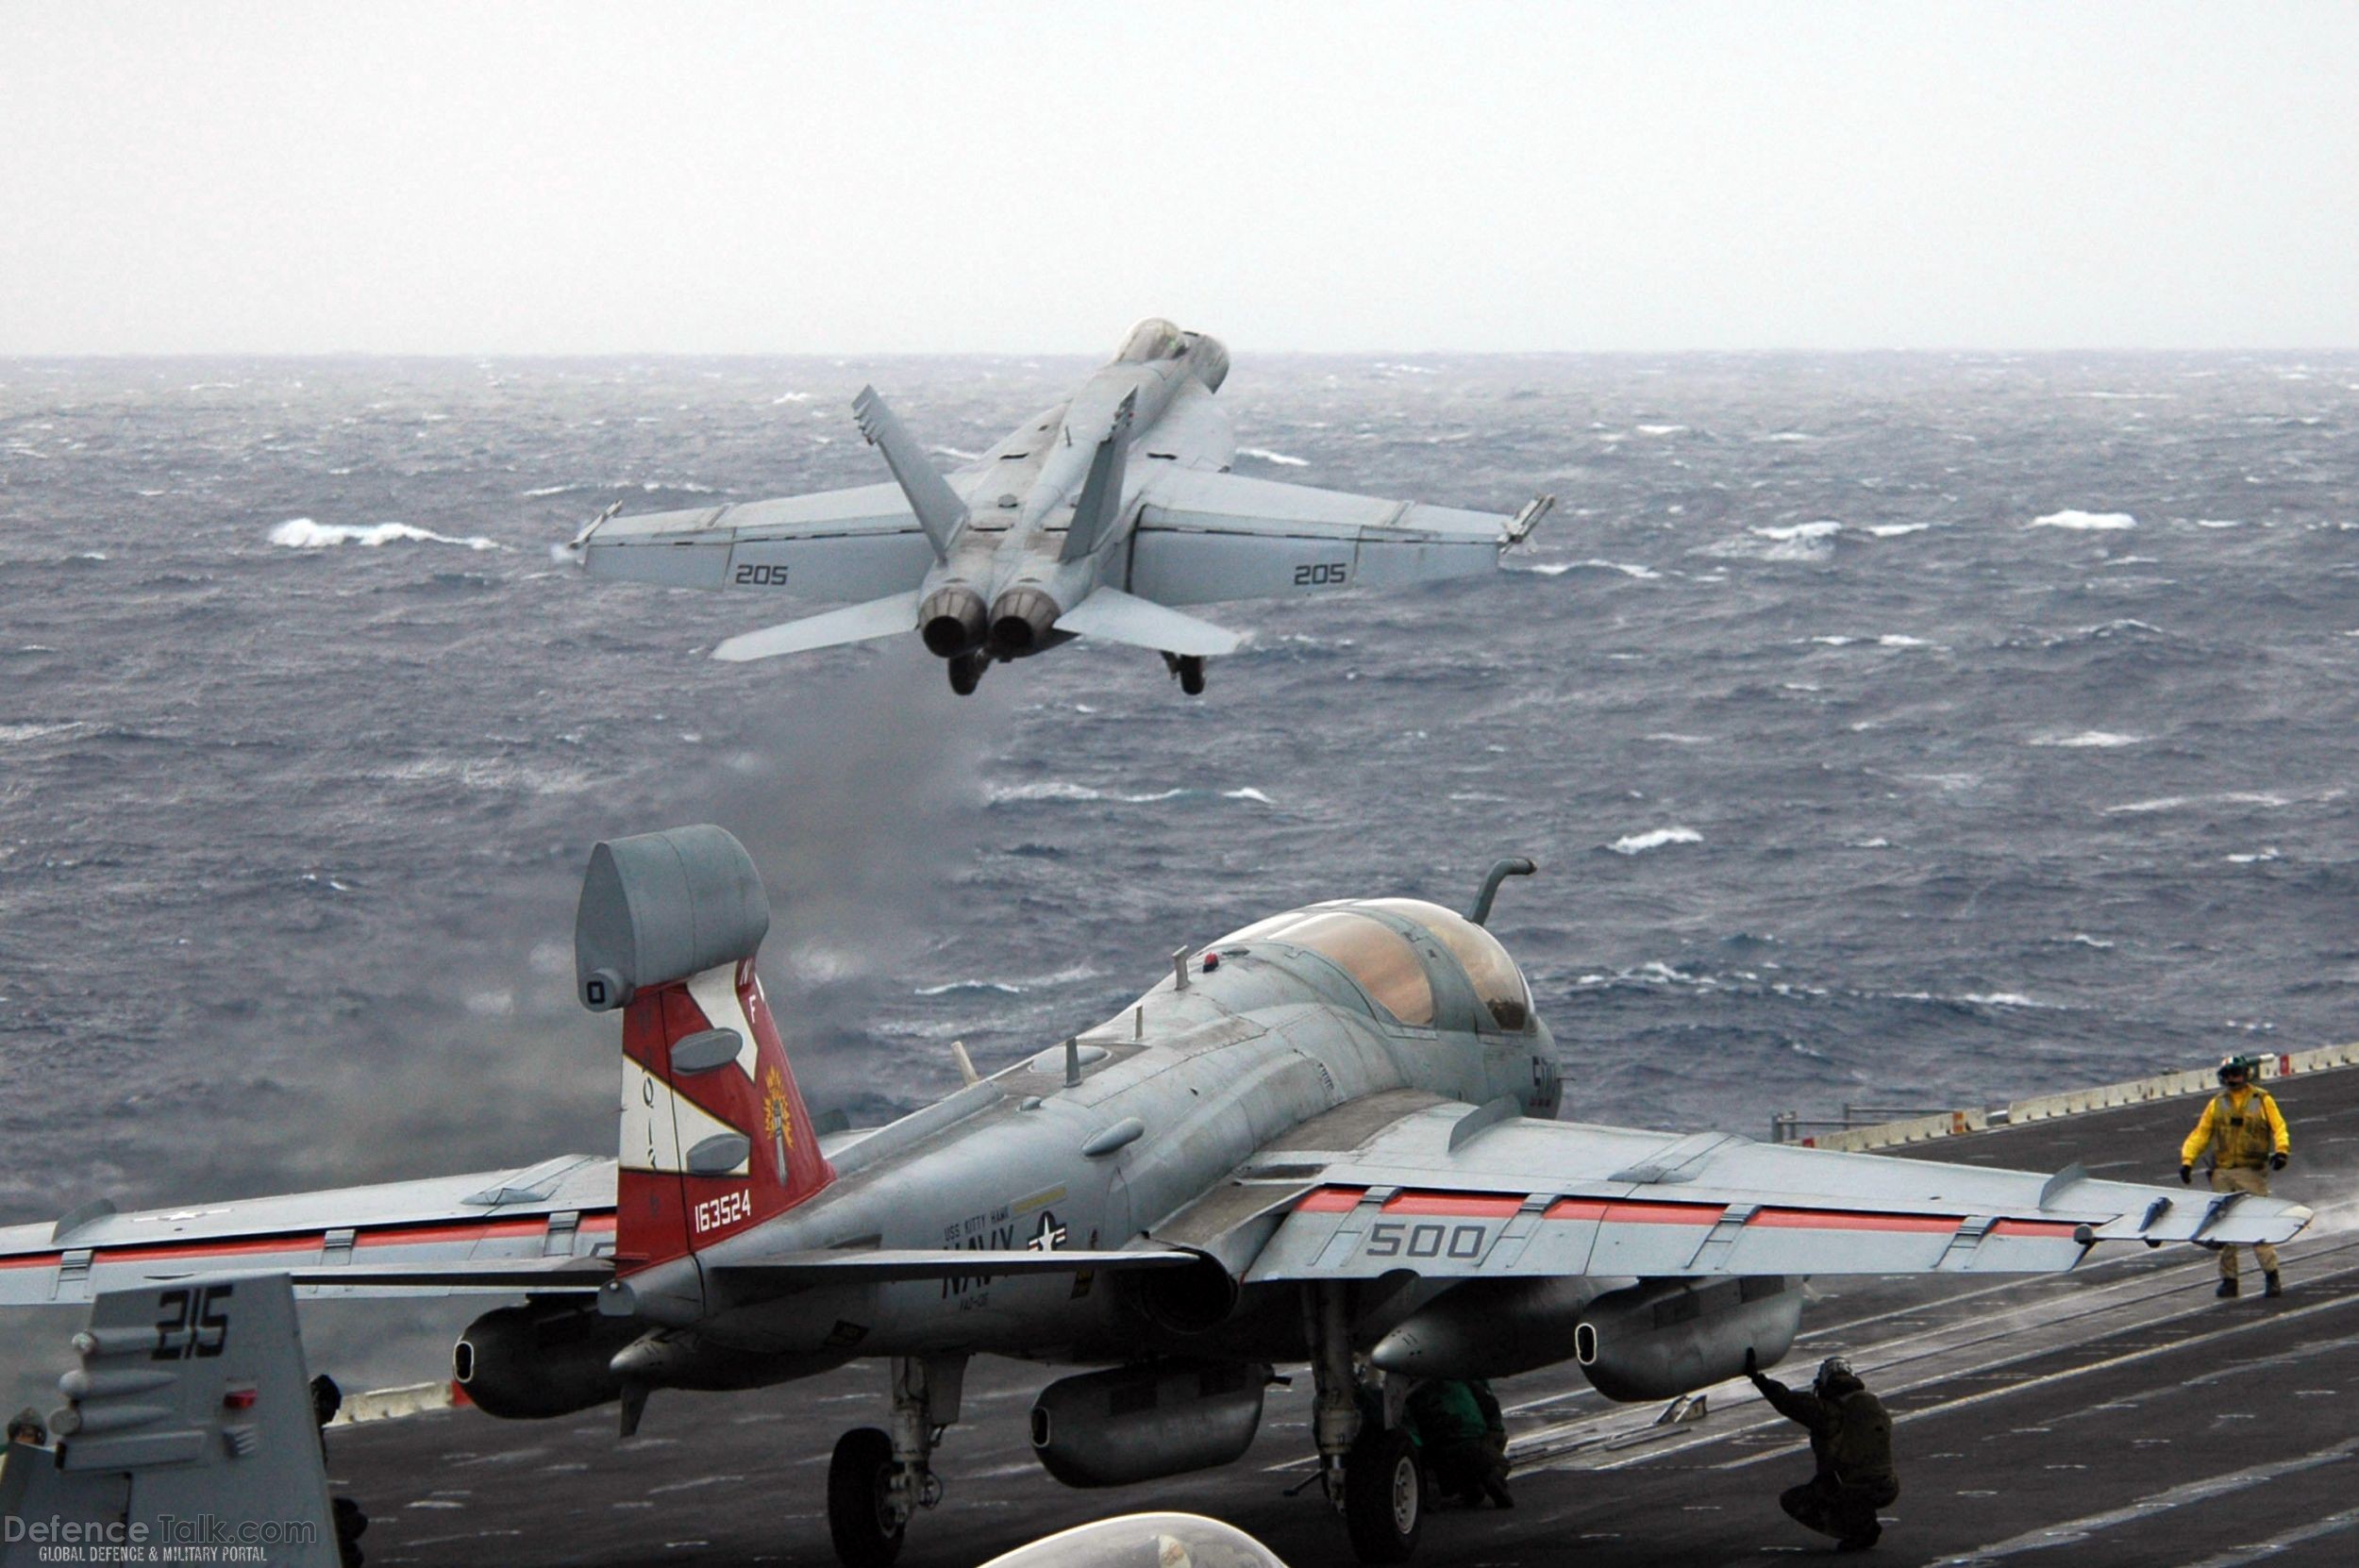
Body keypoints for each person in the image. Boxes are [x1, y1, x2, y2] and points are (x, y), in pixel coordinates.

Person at [1745, 1349, 1898, 1552]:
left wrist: (1758, 1378)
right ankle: (1863, 1522)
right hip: (1887, 1486)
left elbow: (1787, 1401)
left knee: (1796, 1500)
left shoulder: (1829, 1412)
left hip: (1852, 1487)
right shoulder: (1873, 1404)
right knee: (1852, 1484)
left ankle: (1859, 1530)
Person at [2179, 1053, 2291, 1298]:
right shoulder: (2217, 1104)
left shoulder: (2262, 1099)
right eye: (2228, 1075)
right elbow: (2201, 1134)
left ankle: (2272, 1276)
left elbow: (2279, 1127)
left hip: (2251, 1173)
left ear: (2245, 1073)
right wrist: (2187, 1161)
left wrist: (2281, 1151)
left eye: (2236, 1073)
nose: (2233, 1078)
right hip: (2222, 1173)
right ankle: (2229, 1280)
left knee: (2258, 1225)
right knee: (2223, 1228)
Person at [1401, 1378, 1514, 1509]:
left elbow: (1408, 1429)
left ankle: (1469, 1482)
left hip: (1441, 1447)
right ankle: (1479, 1478)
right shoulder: (1464, 1374)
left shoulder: (1410, 1385)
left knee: (1429, 1476)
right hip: (1471, 1440)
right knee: (1490, 1461)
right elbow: (1489, 1404)